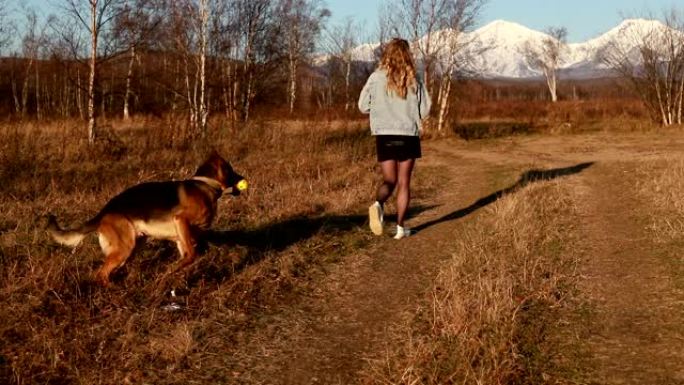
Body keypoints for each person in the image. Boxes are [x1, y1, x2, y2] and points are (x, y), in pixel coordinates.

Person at [358, 37, 431, 239]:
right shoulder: (414, 77)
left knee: (389, 180)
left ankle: (377, 204)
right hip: (408, 134)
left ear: (387, 54)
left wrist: (381, 109)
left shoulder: (375, 77)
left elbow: (363, 106)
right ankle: (400, 228)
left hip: (384, 134)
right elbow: (425, 110)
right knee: (404, 183)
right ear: (408, 55)